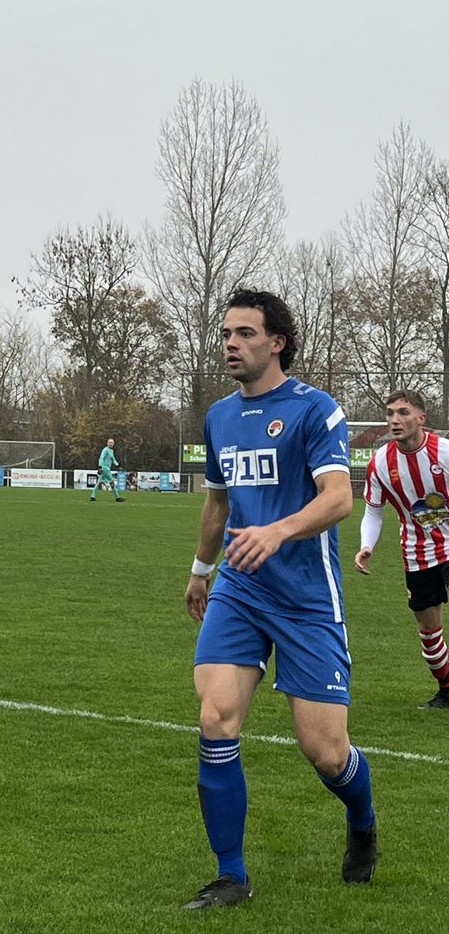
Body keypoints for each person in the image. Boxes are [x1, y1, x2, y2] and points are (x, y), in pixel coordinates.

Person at [183, 288, 377, 910]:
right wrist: (199, 570)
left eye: (244, 333)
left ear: (277, 341)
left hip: (306, 598)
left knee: (325, 752)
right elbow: (217, 503)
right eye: (226, 334)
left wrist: (277, 529)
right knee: (216, 719)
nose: (231, 344)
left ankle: (363, 818)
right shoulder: (217, 417)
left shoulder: (314, 409)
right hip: (238, 590)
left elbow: (339, 497)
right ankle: (231, 875)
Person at [355, 389, 449, 709]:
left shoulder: (444, 453)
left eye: (403, 413)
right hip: (417, 552)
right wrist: (367, 546)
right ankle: (447, 689)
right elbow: (373, 511)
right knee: (428, 631)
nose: (395, 419)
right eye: (390, 413)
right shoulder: (380, 463)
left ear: (421, 418)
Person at [90, 438, 125, 502]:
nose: (111, 444)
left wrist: (118, 465)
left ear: (114, 444)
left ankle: (93, 496)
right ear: (107, 443)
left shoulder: (111, 451)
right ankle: (117, 497)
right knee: (112, 482)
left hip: (105, 469)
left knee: (99, 482)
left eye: (112, 442)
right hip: (105, 468)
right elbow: (101, 458)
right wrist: (100, 467)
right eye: (109, 442)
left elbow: (113, 459)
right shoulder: (105, 450)